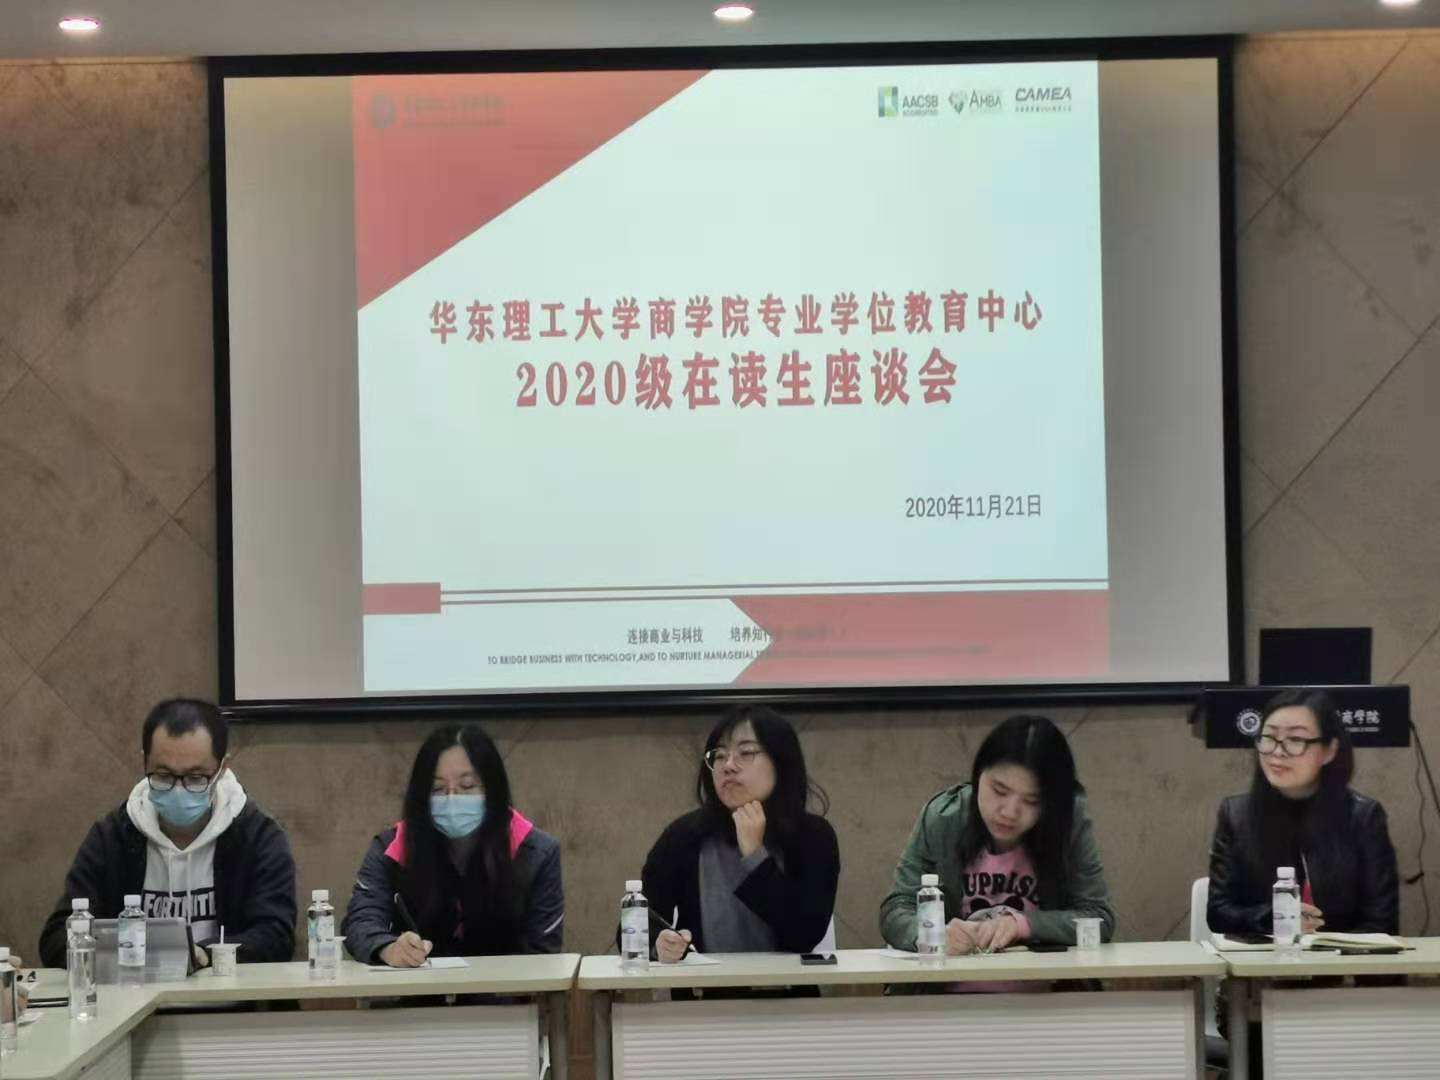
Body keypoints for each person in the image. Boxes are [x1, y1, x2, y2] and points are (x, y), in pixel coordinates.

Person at [39, 699, 296, 969]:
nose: (178, 789)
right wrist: (128, 954)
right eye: (163, 776)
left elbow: (276, 936)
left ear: (222, 769)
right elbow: (57, 938)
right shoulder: (113, 836)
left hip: (227, 993)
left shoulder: (258, 836)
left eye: (196, 777)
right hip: (133, 992)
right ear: (144, 761)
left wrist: (204, 955)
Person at [881, 714, 1115, 958]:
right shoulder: (944, 816)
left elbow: (1098, 917)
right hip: (955, 978)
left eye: (1032, 801)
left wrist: (1023, 925)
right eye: (999, 791)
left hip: (1046, 979)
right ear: (978, 775)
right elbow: (896, 909)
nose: (1009, 812)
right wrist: (932, 935)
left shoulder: (1069, 821)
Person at [342, 724, 563, 966]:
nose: (452, 799)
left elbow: (543, 951)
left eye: (467, 786)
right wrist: (388, 948)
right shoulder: (391, 848)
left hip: (509, 987)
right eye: (437, 789)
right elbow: (360, 922)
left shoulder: (538, 853)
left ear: (493, 789)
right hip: (417, 986)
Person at [638, 705, 839, 961]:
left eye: (746, 753)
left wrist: (755, 855)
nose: (729, 766)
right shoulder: (684, 835)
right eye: (719, 755)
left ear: (781, 762)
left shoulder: (813, 836)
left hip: (787, 985)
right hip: (704, 985)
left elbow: (803, 935)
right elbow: (635, 926)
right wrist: (658, 944)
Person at [1208, 688, 1398, 936]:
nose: (1278, 751)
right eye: (1269, 737)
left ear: (1329, 751)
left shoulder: (1363, 817)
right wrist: (1274, 918)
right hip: (1264, 958)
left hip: (1342, 958)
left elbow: (1382, 921)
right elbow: (1218, 913)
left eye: (1296, 739)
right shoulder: (1236, 815)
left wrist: (1330, 951)